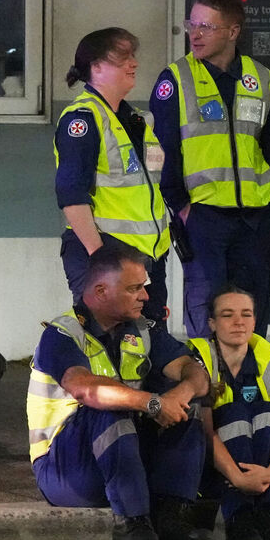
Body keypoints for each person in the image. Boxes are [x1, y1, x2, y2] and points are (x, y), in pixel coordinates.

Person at [26, 244, 214, 540]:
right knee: (110, 407)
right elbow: (85, 388)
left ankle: (171, 521)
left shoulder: (142, 329)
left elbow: (195, 372)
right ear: (101, 290)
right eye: (134, 288)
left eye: (144, 287)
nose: (145, 297)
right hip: (65, 470)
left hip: (124, 463)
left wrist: (179, 395)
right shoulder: (62, 335)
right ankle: (133, 525)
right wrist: (153, 403)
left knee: (188, 407)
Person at [149, 0, 270, 339]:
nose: (194, 34)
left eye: (206, 26)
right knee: (205, 306)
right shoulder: (175, 79)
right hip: (203, 217)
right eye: (191, 24)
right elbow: (162, 152)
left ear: (232, 31)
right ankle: (207, 388)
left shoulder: (261, 79)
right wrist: (182, 208)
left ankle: (248, 385)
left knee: (251, 307)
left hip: (253, 218)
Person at [54, 28, 172, 329]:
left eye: (133, 56)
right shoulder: (82, 119)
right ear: (96, 68)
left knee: (147, 349)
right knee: (108, 348)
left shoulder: (137, 120)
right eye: (122, 58)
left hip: (147, 257)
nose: (133, 63)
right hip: (107, 257)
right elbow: (71, 196)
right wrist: (101, 259)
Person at [189, 285, 270, 540]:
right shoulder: (199, 361)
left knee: (268, 413)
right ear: (212, 324)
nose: (239, 322)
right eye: (228, 315)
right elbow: (205, 432)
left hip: (267, 468)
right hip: (213, 466)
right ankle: (238, 517)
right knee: (236, 413)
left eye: (246, 314)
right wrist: (238, 479)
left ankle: (268, 512)